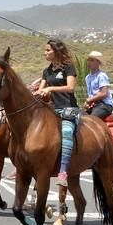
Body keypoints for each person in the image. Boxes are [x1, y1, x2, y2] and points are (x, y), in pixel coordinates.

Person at [34, 38, 79, 188]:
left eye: (48, 50)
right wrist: (36, 92)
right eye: (45, 50)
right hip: (52, 109)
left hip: (68, 108)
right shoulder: (46, 71)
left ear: (56, 51)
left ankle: (63, 172)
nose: (45, 53)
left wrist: (51, 89)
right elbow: (41, 90)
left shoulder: (68, 67)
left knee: (66, 132)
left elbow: (70, 87)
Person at [84, 51, 113, 120]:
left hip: (105, 105)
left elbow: (104, 93)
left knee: (91, 120)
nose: (89, 62)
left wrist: (89, 100)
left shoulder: (101, 76)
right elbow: (91, 94)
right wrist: (88, 103)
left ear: (98, 62)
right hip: (94, 105)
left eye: (92, 60)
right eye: (88, 60)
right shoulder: (87, 77)